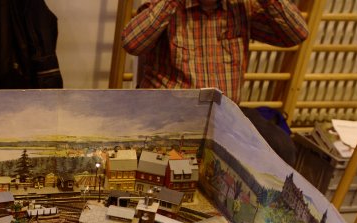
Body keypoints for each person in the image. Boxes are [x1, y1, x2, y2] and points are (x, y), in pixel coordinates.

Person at [121, 0, 309, 165]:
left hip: (224, 116)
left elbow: (296, 34)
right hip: (171, 117)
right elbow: (131, 43)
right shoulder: (168, 7)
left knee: (282, 147)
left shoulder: (241, 9)